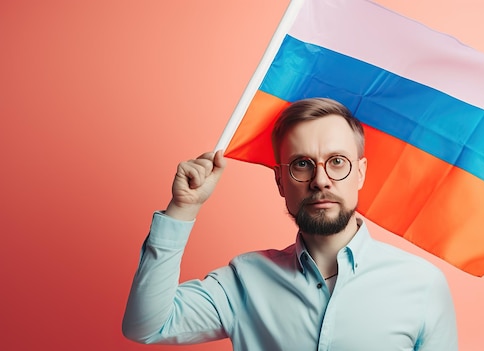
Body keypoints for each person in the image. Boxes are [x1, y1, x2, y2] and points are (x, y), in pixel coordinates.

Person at [122, 98, 458, 350]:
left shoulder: (422, 284)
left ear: (360, 173)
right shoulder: (245, 280)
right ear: (281, 181)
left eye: (337, 162)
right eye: (302, 165)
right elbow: (147, 325)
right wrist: (183, 208)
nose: (320, 180)